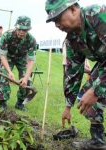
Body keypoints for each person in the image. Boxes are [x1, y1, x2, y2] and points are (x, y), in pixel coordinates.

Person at [45, 0, 106, 149]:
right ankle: (98, 141)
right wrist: (68, 107)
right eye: (53, 21)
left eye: (58, 18)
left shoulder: (99, 15)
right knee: (87, 93)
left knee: (95, 90)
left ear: (73, 9)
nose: (57, 25)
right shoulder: (72, 39)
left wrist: (96, 90)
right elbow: (73, 73)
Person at [0, 16, 37, 111]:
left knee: (27, 81)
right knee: (4, 76)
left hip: (22, 58)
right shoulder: (6, 35)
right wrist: (9, 72)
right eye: (19, 29)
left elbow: (31, 60)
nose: (21, 32)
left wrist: (26, 77)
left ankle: (20, 103)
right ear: (16, 27)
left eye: (25, 30)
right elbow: (3, 56)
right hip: (8, 58)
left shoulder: (31, 40)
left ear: (28, 30)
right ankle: (3, 103)